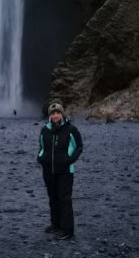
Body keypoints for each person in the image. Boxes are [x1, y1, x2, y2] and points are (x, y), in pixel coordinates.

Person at [37, 102, 83, 240]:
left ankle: (68, 231)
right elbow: (42, 147)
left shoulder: (71, 129)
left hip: (65, 171)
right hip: (48, 170)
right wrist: (40, 157)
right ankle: (56, 225)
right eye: (52, 113)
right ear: (49, 116)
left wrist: (70, 159)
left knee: (64, 199)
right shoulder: (45, 130)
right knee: (53, 198)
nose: (55, 115)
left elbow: (79, 146)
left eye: (57, 113)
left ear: (62, 114)